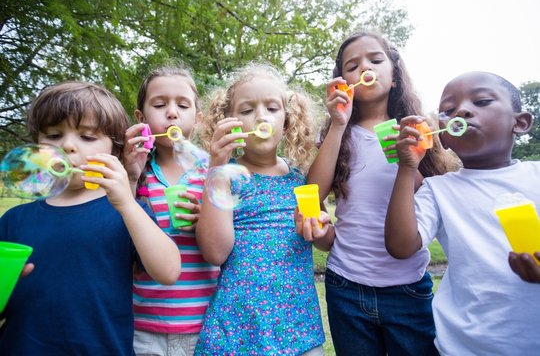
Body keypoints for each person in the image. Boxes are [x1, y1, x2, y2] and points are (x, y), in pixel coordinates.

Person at [0, 81, 181, 355]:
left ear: (114, 151)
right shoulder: (15, 220)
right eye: (53, 134)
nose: (68, 146)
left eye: (86, 136)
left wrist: (128, 205)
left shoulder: (125, 212)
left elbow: (168, 272)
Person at [308, 31, 456, 355]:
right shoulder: (339, 133)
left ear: (393, 76)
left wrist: (409, 160)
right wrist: (336, 124)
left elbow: (432, 192)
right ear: (342, 82)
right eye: (352, 65)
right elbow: (313, 193)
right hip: (345, 285)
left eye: (375, 60)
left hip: (408, 288)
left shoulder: (416, 129)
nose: (365, 68)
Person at [385, 71, 540, 354]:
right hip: (461, 346)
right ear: (443, 138)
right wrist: (407, 167)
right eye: (448, 110)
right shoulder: (438, 189)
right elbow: (401, 246)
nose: (463, 110)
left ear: (520, 122)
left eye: (481, 101)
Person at [194, 63, 326, 355]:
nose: (260, 117)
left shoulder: (300, 180)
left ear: (288, 121)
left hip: (298, 328)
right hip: (238, 328)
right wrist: (216, 167)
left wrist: (321, 224)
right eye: (246, 110)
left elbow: (326, 240)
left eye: (272, 108)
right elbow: (215, 253)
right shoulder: (224, 176)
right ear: (228, 121)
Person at [123, 65, 220, 356]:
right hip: (144, 325)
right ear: (141, 118)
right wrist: (129, 175)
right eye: (160, 104)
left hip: (207, 322)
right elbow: (117, 232)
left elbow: (228, 244)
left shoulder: (214, 170)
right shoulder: (137, 171)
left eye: (182, 104)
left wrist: (208, 220)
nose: (172, 112)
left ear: (198, 119)